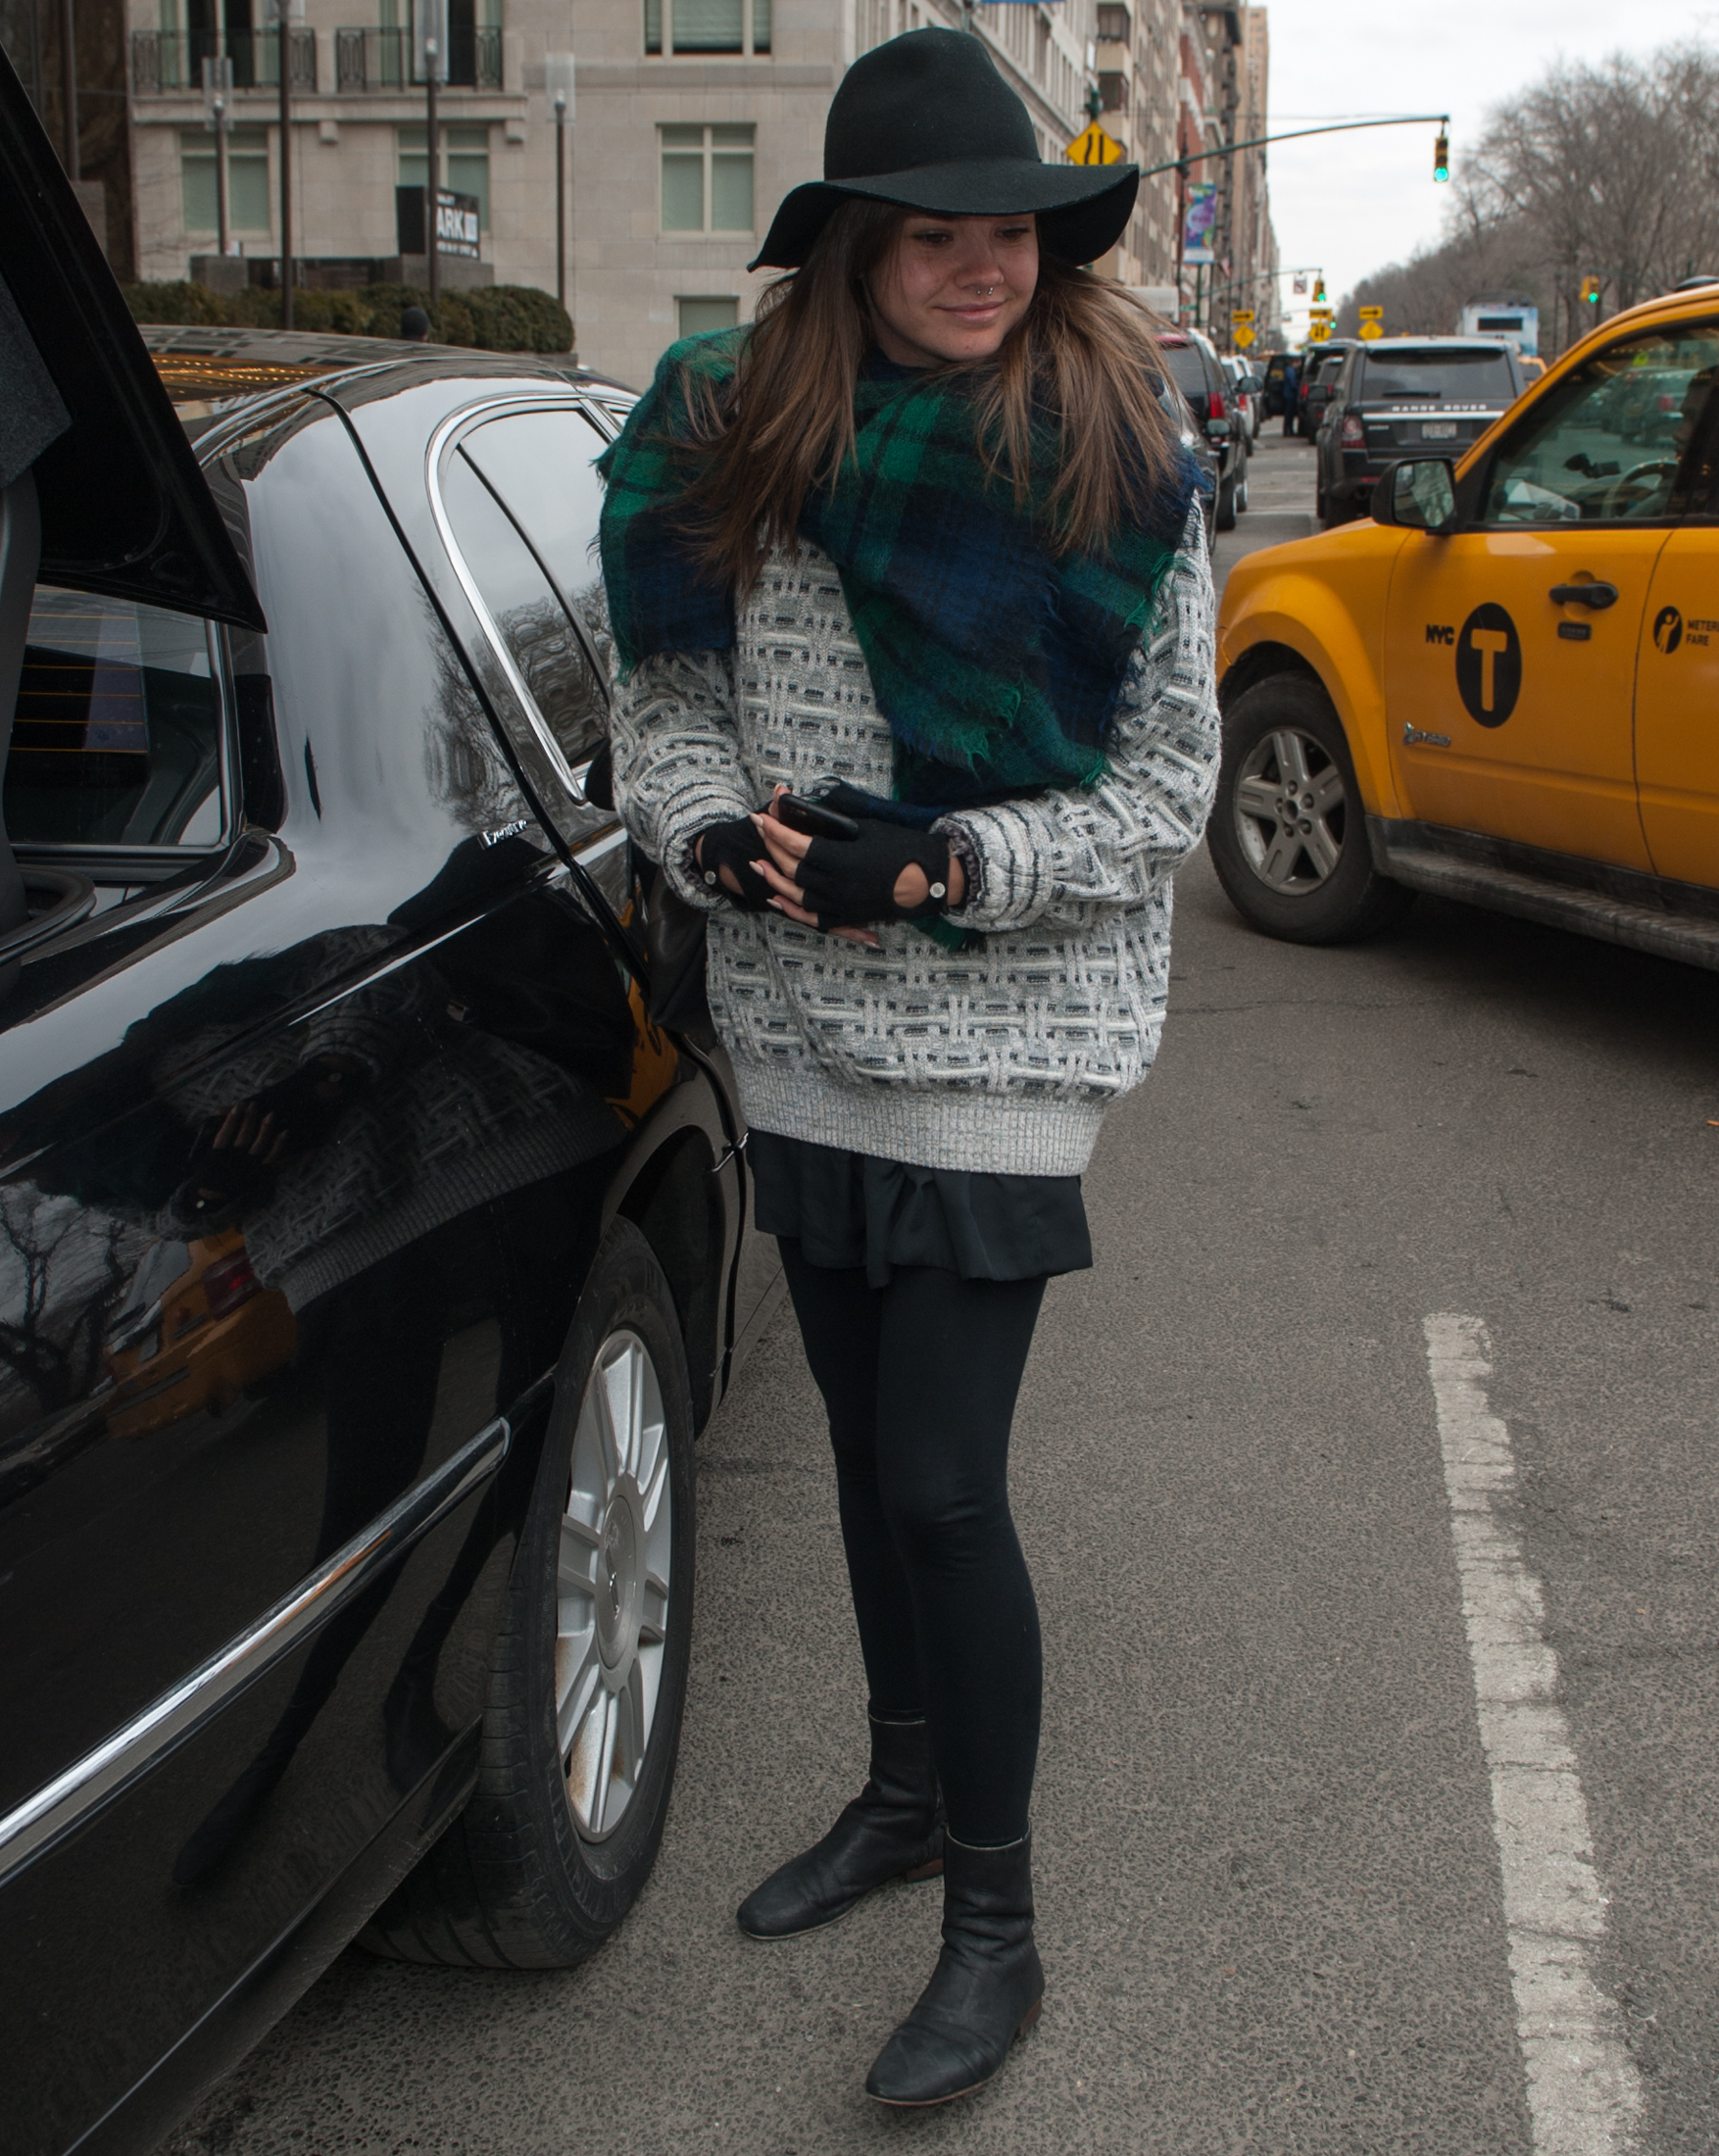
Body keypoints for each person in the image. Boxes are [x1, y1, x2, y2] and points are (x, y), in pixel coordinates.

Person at [601, 27, 1218, 2110]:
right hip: (797, 1021)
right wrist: (707, 835)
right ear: (853, 247)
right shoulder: (724, 437)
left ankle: (994, 1928)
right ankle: (896, 1795)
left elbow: (1165, 792)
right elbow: (666, 702)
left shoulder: (1121, 462)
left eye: (1013, 234)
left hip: (1005, 1035)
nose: (982, 267)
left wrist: (950, 860)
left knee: (944, 1479)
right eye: (937, 234)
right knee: (869, 1460)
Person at [1281, 353, 1301, 434]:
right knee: (1289, 414)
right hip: (1290, 395)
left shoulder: (1289, 370)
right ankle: (1287, 430)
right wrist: (1298, 389)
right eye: (1298, 362)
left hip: (1288, 394)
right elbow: (1292, 383)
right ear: (1295, 362)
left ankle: (1289, 429)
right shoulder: (1290, 371)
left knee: (1289, 414)